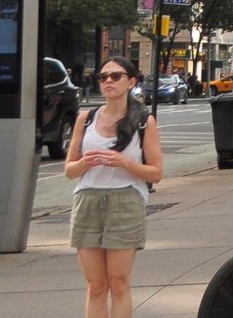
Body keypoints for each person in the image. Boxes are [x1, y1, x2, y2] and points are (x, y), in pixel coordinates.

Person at [67, 57, 164, 318]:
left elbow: (156, 172)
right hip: (87, 200)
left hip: (125, 202)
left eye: (115, 76)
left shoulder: (144, 120)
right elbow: (69, 170)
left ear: (131, 82)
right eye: (103, 77)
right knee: (96, 285)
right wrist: (84, 163)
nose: (108, 81)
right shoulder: (85, 119)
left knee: (118, 283)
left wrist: (124, 162)